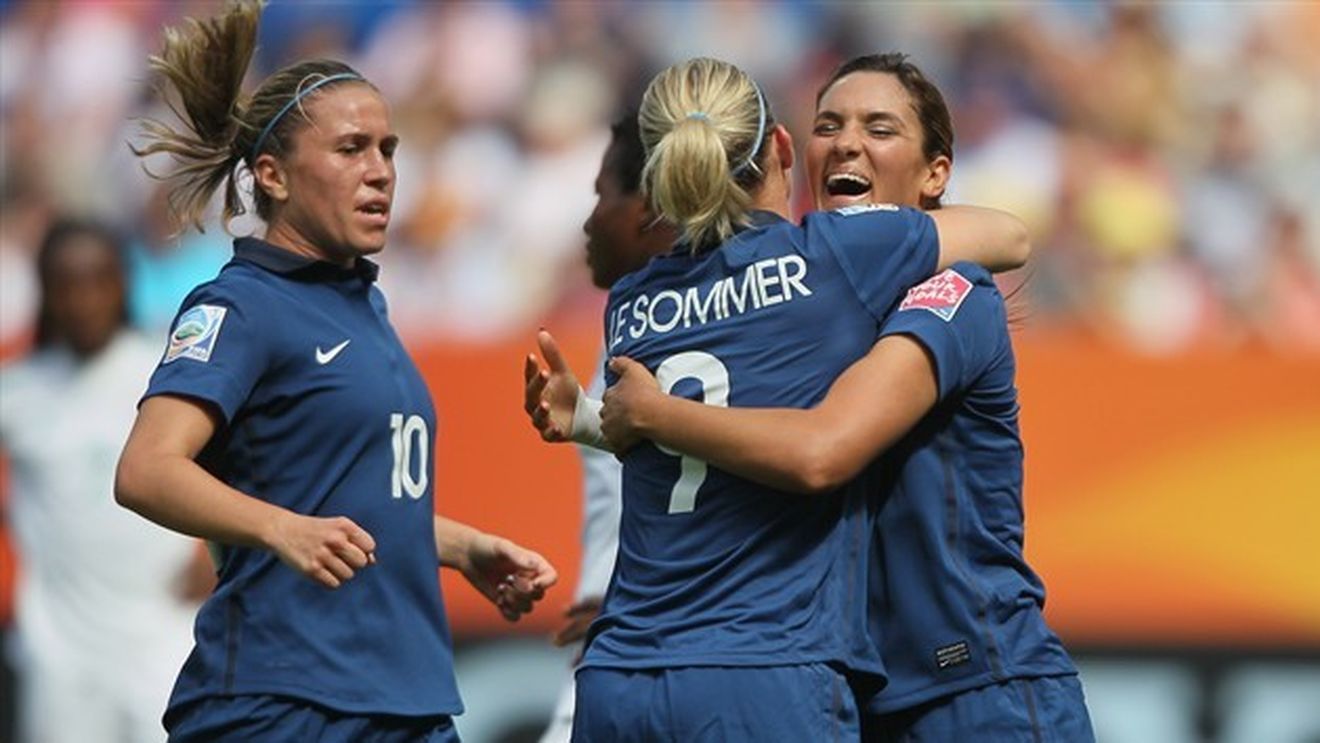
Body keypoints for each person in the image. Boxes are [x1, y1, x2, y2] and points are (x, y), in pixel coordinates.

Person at [527, 57, 1030, 741]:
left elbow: (684, 419)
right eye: (830, 124)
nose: (848, 142)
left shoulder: (631, 298)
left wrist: (602, 419)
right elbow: (1012, 234)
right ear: (786, 147)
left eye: (877, 127)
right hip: (769, 668)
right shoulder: (836, 258)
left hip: (624, 670)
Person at [113, 3, 556, 741]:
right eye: (351, 148)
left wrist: (461, 545)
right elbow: (146, 469)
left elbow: (350, 500)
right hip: (281, 700)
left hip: (407, 700)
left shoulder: (366, 307)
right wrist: (280, 530)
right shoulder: (241, 306)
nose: (380, 171)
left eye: (388, 148)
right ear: (273, 175)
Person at [0, 219, 210, 743]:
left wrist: (218, 550)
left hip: (161, 634)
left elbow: (244, 468)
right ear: (45, 291)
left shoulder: (165, 380)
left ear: (123, 283)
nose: (83, 298)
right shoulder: (19, 393)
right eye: (66, 282)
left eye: (98, 279)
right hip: (60, 650)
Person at [534, 112, 677, 743]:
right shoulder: (628, 321)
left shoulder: (675, 329)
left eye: (602, 196)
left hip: (654, 651)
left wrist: (638, 603)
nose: (589, 220)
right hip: (623, 634)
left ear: (647, 207)